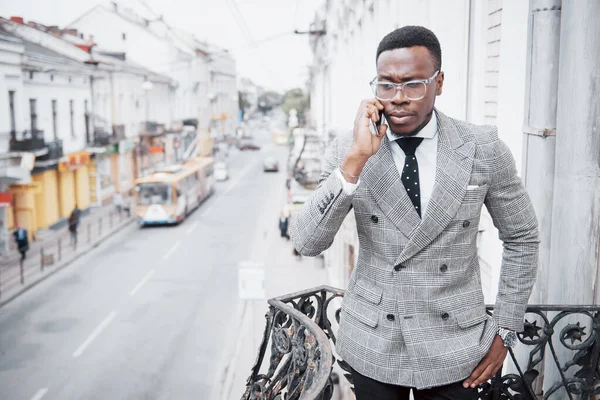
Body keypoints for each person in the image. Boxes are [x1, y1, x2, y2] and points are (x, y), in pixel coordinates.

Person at [290, 26, 539, 399]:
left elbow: (522, 237)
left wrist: (505, 329)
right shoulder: (349, 148)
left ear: (439, 83)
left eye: (413, 84)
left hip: (457, 345)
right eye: (386, 85)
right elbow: (306, 242)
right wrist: (355, 161)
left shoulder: (482, 147)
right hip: (374, 343)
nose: (398, 98)